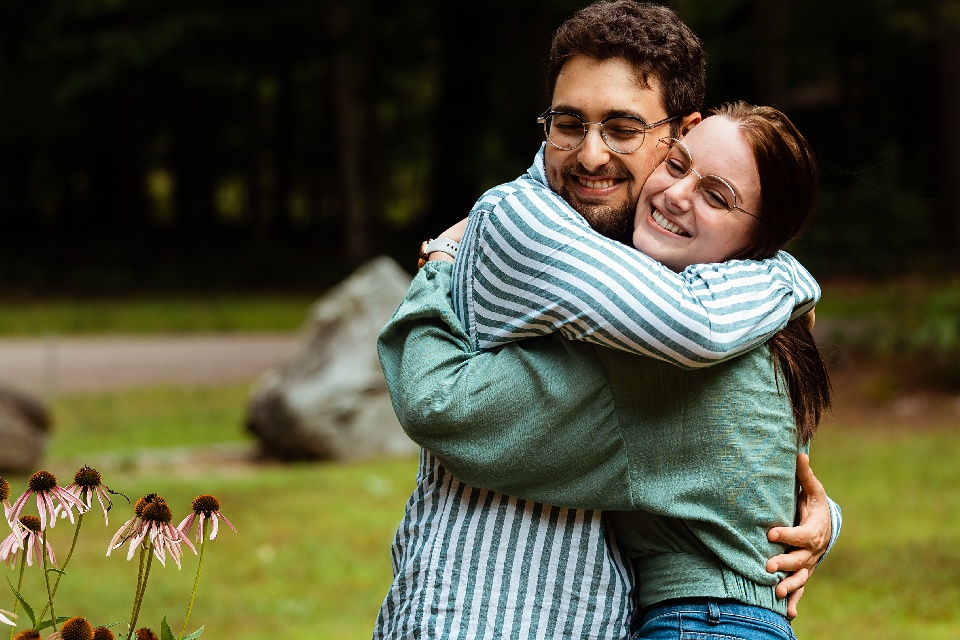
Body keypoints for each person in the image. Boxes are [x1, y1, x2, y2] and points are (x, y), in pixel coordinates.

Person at [372, 3, 839, 639]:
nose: (591, 156)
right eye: (568, 125)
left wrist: (818, 517)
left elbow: (727, 440)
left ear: (680, 131)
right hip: (484, 606)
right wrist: (789, 278)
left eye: (622, 128)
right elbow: (693, 329)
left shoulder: (661, 257)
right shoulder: (527, 221)